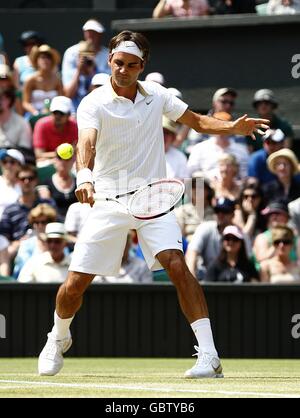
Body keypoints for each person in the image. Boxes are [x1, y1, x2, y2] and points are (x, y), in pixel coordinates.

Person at [38, 30, 268, 379]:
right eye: (117, 63)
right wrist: (84, 174)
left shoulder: (158, 95)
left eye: (131, 65)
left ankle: (210, 356)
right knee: (76, 283)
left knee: (176, 265)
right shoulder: (93, 102)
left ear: (142, 66)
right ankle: (58, 337)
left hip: (152, 199)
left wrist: (232, 128)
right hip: (109, 200)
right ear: (110, 61)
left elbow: (196, 121)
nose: (123, 70)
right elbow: (87, 141)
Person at [0, 164, 55, 261]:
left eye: (30, 178)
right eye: (23, 179)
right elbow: (4, 239)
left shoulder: (48, 203)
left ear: (36, 180)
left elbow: (57, 226)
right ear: (17, 181)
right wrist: (19, 243)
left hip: (49, 245)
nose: (27, 182)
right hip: (20, 250)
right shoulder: (10, 210)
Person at [62, 19, 110, 111]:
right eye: (88, 32)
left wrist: (92, 71)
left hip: (100, 108)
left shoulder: (108, 55)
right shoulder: (70, 53)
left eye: (94, 32)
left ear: (100, 34)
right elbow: (68, 94)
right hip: (73, 110)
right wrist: (79, 70)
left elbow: (107, 91)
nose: (91, 35)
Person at [187, 112, 249, 179]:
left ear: (232, 128)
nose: (221, 130)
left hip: (233, 187)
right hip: (206, 187)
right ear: (211, 127)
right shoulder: (199, 148)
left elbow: (245, 176)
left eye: (225, 126)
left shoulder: (241, 150)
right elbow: (190, 174)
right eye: (217, 126)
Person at [185, 197, 236, 278]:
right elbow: (191, 253)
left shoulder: (239, 234)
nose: (220, 215)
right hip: (206, 278)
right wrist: (192, 281)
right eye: (217, 211)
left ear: (233, 214)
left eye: (225, 211)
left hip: (231, 279)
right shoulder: (206, 227)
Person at [12, 203, 57, 278]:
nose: (39, 225)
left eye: (43, 222)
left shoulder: (58, 242)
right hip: (31, 283)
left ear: (51, 222)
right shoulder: (27, 244)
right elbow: (23, 268)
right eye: (36, 222)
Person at [33, 96, 78, 165]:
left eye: (61, 113)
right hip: (49, 161)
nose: (57, 116)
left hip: (70, 161)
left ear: (68, 114)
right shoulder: (41, 125)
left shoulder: (75, 126)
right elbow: (39, 154)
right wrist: (59, 154)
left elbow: (77, 150)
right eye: (55, 113)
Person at [22, 44, 63, 117]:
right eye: (42, 57)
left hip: (53, 116)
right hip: (33, 116)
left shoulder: (57, 80)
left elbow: (60, 100)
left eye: (48, 58)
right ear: (37, 60)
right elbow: (25, 103)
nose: (45, 60)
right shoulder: (31, 80)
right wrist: (36, 113)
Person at [37, 150, 77, 220]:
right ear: (54, 160)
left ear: (73, 161)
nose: (63, 162)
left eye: (67, 159)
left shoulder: (79, 182)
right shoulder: (46, 183)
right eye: (60, 158)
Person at [175, 174, 215, 242]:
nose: (196, 189)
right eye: (193, 186)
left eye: (200, 186)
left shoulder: (216, 212)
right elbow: (178, 239)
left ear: (208, 191)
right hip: (188, 248)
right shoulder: (182, 211)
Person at [0, 149, 24, 218]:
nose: (8, 165)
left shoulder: (26, 183)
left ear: (20, 166)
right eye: (4, 162)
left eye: (12, 162)